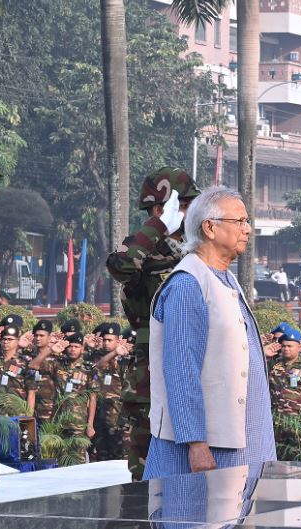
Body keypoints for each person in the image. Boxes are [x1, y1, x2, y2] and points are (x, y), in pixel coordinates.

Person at [143, 186, 276, 478]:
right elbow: (181, 369)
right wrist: (196, 443)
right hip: (208, 452)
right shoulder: (188, 285)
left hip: (240, 444)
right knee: (192, 517)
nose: (248, 229)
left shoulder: (225, 279)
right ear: (210, 228)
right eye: (239, 221)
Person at [107, 166, 198, 480]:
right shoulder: (134, 244)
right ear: (161, 207)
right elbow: (119, 266)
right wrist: (158, 227)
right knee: (149, 467)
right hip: (152, 370)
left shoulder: (198, 248)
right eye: (184, 205)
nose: (191, 212)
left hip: (196, 365)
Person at [53, 332, 97, 464]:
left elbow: (93, 398)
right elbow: (35, 366)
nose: (73, 349)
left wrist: (90, 424)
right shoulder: (58, 364)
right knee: (61, 458)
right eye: (70, 346)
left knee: (78, 459)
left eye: (76, 346)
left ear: (82, 348)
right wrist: (52, 350)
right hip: (59, 420)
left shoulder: (88, 369)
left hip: (78, 422)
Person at [268, 329, 301, 440]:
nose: (286, 349)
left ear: (299, 347)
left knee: (296, 455)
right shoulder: (273, 366)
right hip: (274, 422)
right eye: (284, 346)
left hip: (298, 424)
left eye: (290, 346)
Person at [91, 322, 130, 461]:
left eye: (110, 340)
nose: (106, 343)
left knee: (118, 457)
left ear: (118, 340)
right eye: (105, 340)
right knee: (101, 457)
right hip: (101, 418)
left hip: (118, 418)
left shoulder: (126, 358)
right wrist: (114, 352)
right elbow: (98, 366)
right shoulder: (98, 355)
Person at [26, 320, 65, 425]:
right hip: (28, 406)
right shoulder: (28, 354)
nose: (38, 338)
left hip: (49, 409)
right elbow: (31, 365)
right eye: (36, 335)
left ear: (49, 337)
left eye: (42, 335)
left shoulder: (57, 358)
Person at [0, 325, 31, 404]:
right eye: (4, 339)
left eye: (10, 339)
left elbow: (31, 392)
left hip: (16, 411)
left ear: (17, 341)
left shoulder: (25, 362)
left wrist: (28, 414)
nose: (5, 342)